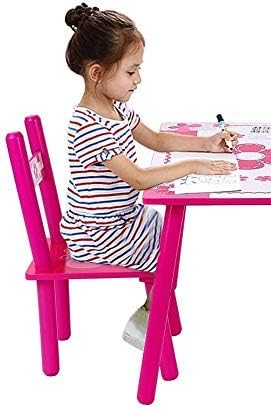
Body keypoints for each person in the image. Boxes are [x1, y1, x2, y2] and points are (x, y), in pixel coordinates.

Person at [61, 3, 238, 350]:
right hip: (97, 234)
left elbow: (155, 139)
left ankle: (156, 308)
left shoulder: (116, 108)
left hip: (123, 219)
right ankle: (148, 320)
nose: (138, 80)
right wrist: (192, 166)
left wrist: (207, 144)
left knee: (171, 231)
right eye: (131, 72)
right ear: (97, 72)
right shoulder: (88, 126)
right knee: (167, 251)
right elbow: (139, 179)